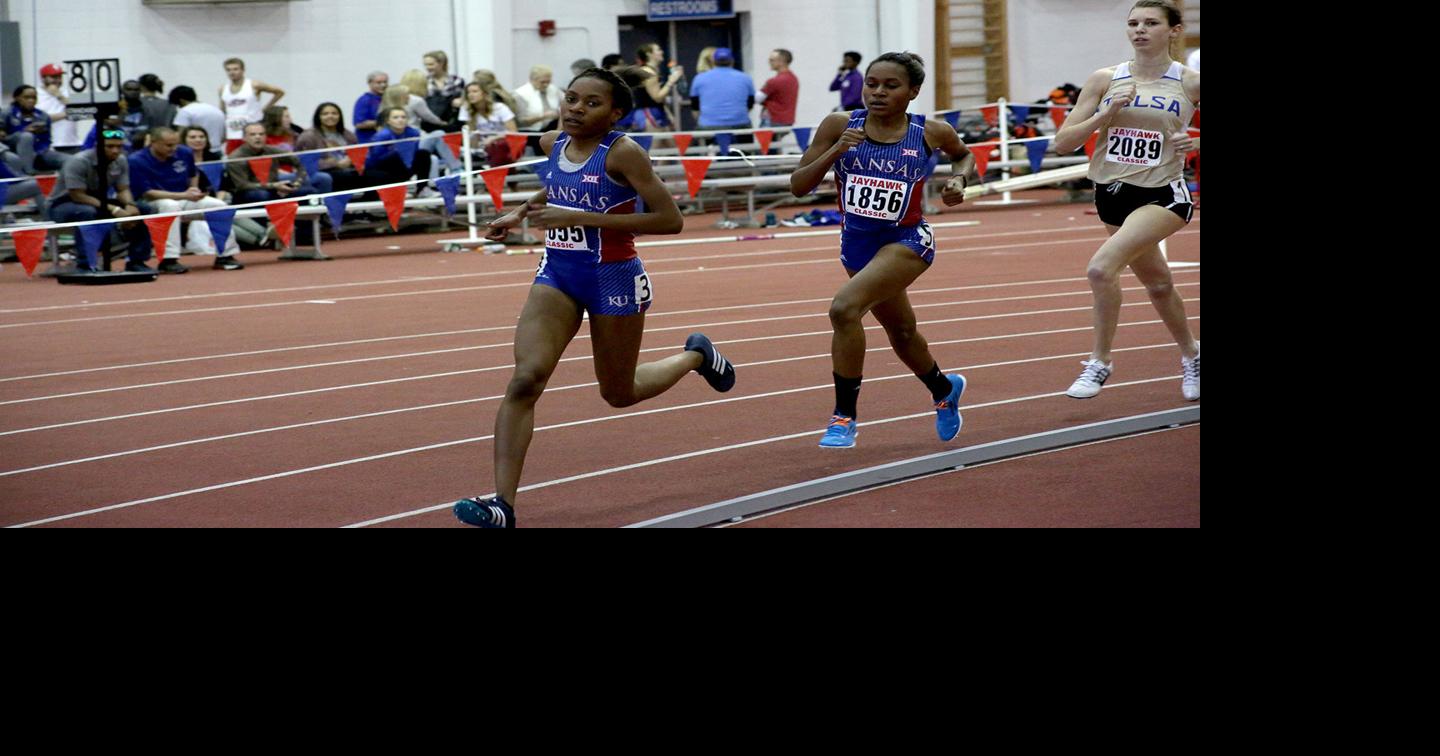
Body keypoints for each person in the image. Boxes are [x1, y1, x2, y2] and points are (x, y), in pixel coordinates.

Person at [452, 67, 736, 528]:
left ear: (615, 113)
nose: (575, 109)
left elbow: (670, 220)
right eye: (571, 98)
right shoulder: (552, 143)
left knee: (618, 392)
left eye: (591, 103)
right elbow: (565, 185)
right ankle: (501, 505)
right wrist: (520, 211)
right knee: (526, 379)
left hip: (614, 277)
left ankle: (695, 358)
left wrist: (584, 218)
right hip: (558, 274)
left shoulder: (624, 153)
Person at [789, 51, 974, 449]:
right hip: (857, 247)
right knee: (903, 332)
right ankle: (945, 390)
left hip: (907, 241)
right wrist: (837, 149)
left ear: (913, 92)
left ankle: (843, 418)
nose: (877, 92)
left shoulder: (930, 131)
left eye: (891, 86)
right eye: (872, 83)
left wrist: (959, 181)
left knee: (844, 309)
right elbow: (799, 185)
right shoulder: (840, 125)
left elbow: (963, 154)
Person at [1053, 0, 1200, 402]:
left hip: (1163, 195)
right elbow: (1063, 142)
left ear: (1173, 30)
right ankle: (1193, 354)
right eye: (1133, 23)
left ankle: (1099, 363)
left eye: (1151, 23)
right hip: (1112, 193)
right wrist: (1104, 115)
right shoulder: (1105, 79)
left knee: (1101, 269)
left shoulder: (1188, 81)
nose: (1139, 30)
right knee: (1158, 282)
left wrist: (1196, 140)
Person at [127, 126, 243, 271]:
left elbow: (193, 173)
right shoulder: (137, 160)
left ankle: (225, 255)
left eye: (175, 144)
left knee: (219, 205)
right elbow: (148, 193)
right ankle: (169, 259)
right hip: (154, 201)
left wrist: (193, 189)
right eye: (169, 145)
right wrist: (184, 195)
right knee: (169, 206)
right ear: (154, 143)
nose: (174, 148)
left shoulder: (184, 152)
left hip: (184, 197)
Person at [47, 128, 155, 272]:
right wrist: (115, 210)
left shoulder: (121, 160)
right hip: (64, 204)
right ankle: (85, 264)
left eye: (119, 146)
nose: (115, 151)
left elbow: (122, 189)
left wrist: (130, 205)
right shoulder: (78, 161)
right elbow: (77, 195)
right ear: (97, 146)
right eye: (110, 146)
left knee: (144, 209)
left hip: (99, 201)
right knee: (87, 212)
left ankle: (137, 261)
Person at [180, 125, 272, 250]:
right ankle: (261, 239)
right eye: (193, 137)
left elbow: (225, 182)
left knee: (226, 210)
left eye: (201, 137)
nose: (198, 140)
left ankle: (265, 234)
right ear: (184, 140)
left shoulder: (214, 158)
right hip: (194, 201)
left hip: (219, 198)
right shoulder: (180, 161)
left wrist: (220, 196)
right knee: (220, 216)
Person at [295, 102, 367, 192]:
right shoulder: (308, 136)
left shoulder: (347, 133)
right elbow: (304, 162)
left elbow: (357, 152)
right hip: (324, 170)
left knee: (373, 174)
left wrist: (353, 159)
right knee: (345, 177)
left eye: (334, 113)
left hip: (349, 168)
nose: (330, 116)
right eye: (325, 114)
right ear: (318, 117)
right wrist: (336, 164)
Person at [218, 57, 285, 154]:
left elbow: (279, 92)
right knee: (233, 161)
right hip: (233, 133)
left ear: (242, 70)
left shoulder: (254, 85)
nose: (232, 72)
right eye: (228, 70)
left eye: (235, 69)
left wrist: (265, 108)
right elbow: (223, 110)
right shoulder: (223, 89)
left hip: (253, 132)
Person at [364, 107, 432, 193]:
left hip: (405, 166)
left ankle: (422, 189)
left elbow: (414, 153)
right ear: (388, 121)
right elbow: (375, 159)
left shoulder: (413, 133)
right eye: (395, 117)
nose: (400, 120)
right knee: (397, 155)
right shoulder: (382, 136)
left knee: (423, 154)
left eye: (403, 117)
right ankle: (396, 190)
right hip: (383, 170)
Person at [3, 85, 67, 173]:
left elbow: (46, 140)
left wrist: (40, 152)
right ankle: (28, 172)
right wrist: (24, 131)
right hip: (13, 150)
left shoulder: (43, 116)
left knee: (70, 160)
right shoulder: (7, 113)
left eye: (34, 98)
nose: (31, 100)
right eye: (26, 97)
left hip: (39, 152)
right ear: (17, 98)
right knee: (27, 136)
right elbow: (3, 138)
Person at [688, 47, 754, 131]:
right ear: (732, 61)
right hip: (740, 125)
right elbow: (750, 104)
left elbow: (695, 108)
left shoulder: (699, 78)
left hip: (709, 127)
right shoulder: (745, 78)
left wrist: (705, 121)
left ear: (714, 61)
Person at [458, 82, 518, 166]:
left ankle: (500, 176)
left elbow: (513, 132)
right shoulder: (466, 110)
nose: (470, 95)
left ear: (484, 94)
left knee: (497, 147)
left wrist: (493, 138)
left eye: (475, 91)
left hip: (506, 143)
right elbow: (473, 136)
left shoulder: (500, 108)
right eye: (468, 92)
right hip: (483, 146)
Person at [628, 43, 682, 131]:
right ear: (649, 54)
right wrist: (671, 81)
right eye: (658, 50)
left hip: (657, 111)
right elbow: (657, 97)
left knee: (669, 143)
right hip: (648, 112)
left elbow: (660, 99)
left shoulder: (654, 71)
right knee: (656, 143)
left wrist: (668, 114)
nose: (662, 52)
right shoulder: (648, 72)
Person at [36, 63, 85, 154]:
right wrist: (66, 114)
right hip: (50, 145)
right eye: (54, 77)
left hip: (73, 143)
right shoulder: (36, 95)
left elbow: (80, 113)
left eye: (59, 77)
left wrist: (60, 96)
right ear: (43, 78)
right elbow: (40, 119)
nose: (58, 80)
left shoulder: (66, 93)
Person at [170, 85, 226, 151]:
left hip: (196, 151)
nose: (179, 107)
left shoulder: (185, 111)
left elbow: (181, 136)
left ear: (181, 101)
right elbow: (224, 136)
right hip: (217, 150)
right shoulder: (215, 109)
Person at [513, 65, 564, 132]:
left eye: (548, 82)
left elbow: (564, 107)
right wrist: (542, 116)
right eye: (542, 82)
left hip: (552, 128)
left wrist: (558, 130)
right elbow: (520, 122)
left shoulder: (554, 89)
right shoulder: (520, 94)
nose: (546, 85)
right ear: (532, 80)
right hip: (530, 131)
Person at [757, 48, 799, 130]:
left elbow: (757, 98)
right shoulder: (794, 79)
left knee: (766, 142)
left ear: (781, 61)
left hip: (773, 119)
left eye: (772, 60)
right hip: (788, 120)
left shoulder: (774, 81)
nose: (769, 62)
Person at [422, 50, 466, 125]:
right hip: (429, 123)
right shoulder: (424, 81)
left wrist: (461, 100)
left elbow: (466, 99)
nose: (428, 68)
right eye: (425, 65)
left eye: (431, 64)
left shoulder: (457, 81)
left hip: (453, 121)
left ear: (441, 63)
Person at [353, 71, 389, 142]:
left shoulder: (388, 98)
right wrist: (387, 122)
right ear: (370, 83)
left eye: (385, 82)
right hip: (369, 141)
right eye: (379, 83)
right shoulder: (364, 100)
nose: (383, 85)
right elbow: (359, 123)